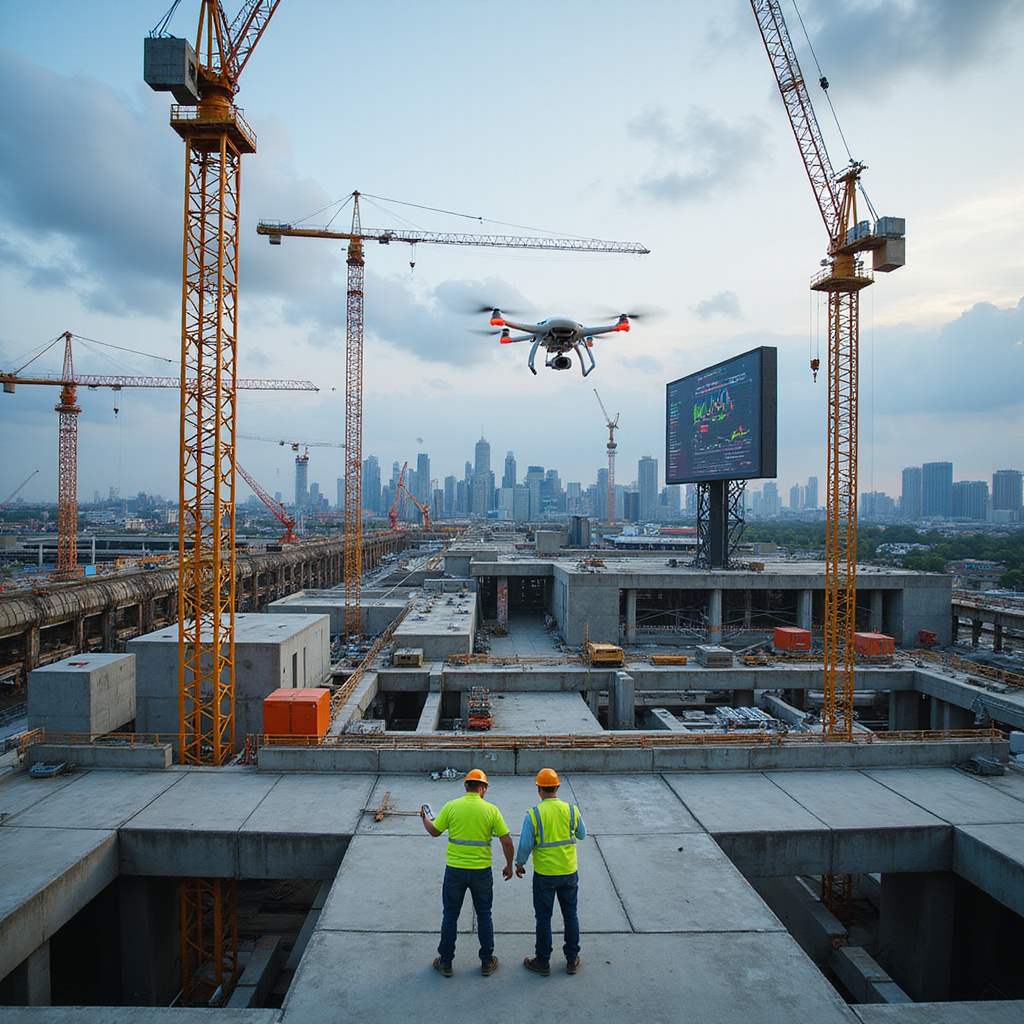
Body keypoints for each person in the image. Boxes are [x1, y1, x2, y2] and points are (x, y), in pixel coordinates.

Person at [421, 767, 514, 977]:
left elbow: (434, 831)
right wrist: (509, 865)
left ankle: (445, 962)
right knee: (484, 916)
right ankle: (487, 961)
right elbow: (507, 841)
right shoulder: (491, 810)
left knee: (450, 916)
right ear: (483, 789)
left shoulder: (452, 806)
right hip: (481, 872)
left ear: (466, 786)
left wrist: (424, 818)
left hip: (455, 871)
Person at [515, 767, 586, 976]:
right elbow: (582, 834)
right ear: (557, 787)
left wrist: (519, 864)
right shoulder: (572, 810)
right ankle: (572, 958)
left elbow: (525, 845)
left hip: (545, 875)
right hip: (569, 871)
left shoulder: (534, 814)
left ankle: (543, 962)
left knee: (544, 918)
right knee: (570, 915)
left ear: (539, 789)